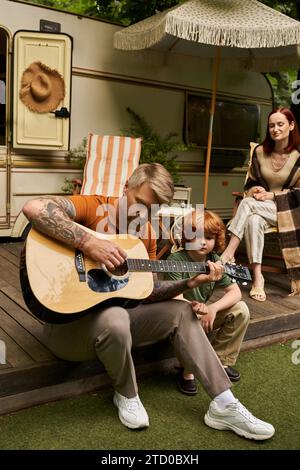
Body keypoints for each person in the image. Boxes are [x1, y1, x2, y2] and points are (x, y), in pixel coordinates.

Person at [21, 162, 274, 440]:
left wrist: (188, 283)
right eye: (139, 203)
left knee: (182, 311)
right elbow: (35, 208)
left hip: (115, 327)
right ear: (125, 187)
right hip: (67, 328)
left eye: (152, 209)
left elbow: (147, 291)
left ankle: (224, 404)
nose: (143, 213)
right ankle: (127, 394)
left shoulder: (146, 234)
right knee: (115, 317)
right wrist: (89, 244)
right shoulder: (95, 207)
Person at [165, 210, 250, 395]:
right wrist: (193, 307)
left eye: (209, 237)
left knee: (241, 309)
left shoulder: (215, 260)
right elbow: (174, 298)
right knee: (187, 317)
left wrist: (213, 308)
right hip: (178, 318)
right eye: (198, 236)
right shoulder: (175, 260)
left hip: (203, 312)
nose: (204, 242)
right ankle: (186, 370)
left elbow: (235, 293)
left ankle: (220, 361)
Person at [221, 107, 300, 301]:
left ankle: (227, 254)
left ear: (291, 126)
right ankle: (258, 278)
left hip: (290, 211)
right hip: (262, 209)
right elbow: (252, 182)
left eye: (280, 124)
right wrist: (254, 190)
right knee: (253, 220)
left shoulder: (299, 156)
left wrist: (272, 196)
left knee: (247, 205)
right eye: (271, 125)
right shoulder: (260, 152)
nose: (275, 129)